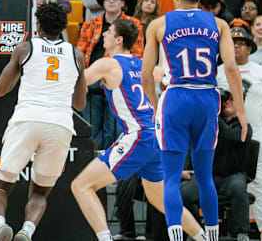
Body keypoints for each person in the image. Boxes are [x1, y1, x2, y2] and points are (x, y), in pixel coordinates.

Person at [72, 18, 208, 241]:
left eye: (109, 32)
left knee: (81, 186)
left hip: (138, 136)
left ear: (119, 39)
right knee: (160, 199)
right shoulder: (143, 65)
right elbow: (165, 76)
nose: (104, 34)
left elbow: (78, 82)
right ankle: (202, 237)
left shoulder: (108, 63)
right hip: (156, 135)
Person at [141, 0, 248, 241]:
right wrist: (243, 112)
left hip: (175, 97)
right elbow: (232, 68)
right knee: (205, 177)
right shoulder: (220, 24)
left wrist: (156, 106)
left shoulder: (158, 25)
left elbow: (146, 75)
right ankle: (212, 237)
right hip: (206, 98)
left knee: (172, 178)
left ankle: (176, 237)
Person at [0, 3, 87, 241]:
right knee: (41, 191)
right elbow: (80, 104)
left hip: (27, 119)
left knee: (1, 185)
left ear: (38, 25)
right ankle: (27, 231)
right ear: (63, 27)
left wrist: (18, 67)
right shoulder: (77, 55)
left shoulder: (25, 48)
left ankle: (0, 225)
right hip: (60, 124)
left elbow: (0, 90)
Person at [217, 23, 262, 241]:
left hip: (254, 139)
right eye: (232, 43)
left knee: (258, 182)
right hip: (227, 139)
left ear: (249, 48)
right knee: (225, 180)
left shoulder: (260, 71)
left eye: (241, 44)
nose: (236, 47)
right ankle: (220, 229)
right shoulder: (217, 73)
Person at [180, 90, 255, 241]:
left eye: (231, 100)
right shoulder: (209, 124)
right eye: (225, 100)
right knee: (184, 194)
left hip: (232, 175)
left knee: (238, 188)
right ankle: (197, 231)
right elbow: (194, 143)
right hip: (207, 175)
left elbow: (230, 135)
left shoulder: (244, 126)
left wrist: (213, 115)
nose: (227, 102)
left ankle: (242, 232)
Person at [77, 0, 144, 149]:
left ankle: (110, 166)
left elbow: (137, 54)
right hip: (92, 82)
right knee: (91, 128)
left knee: (114, 130)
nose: (111, 1)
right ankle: (92, 164)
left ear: (123, 3)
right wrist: (82, 79)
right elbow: (79, 53)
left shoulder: (133, 24)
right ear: (103, 3)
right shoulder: (89, 25)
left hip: (118, 81)